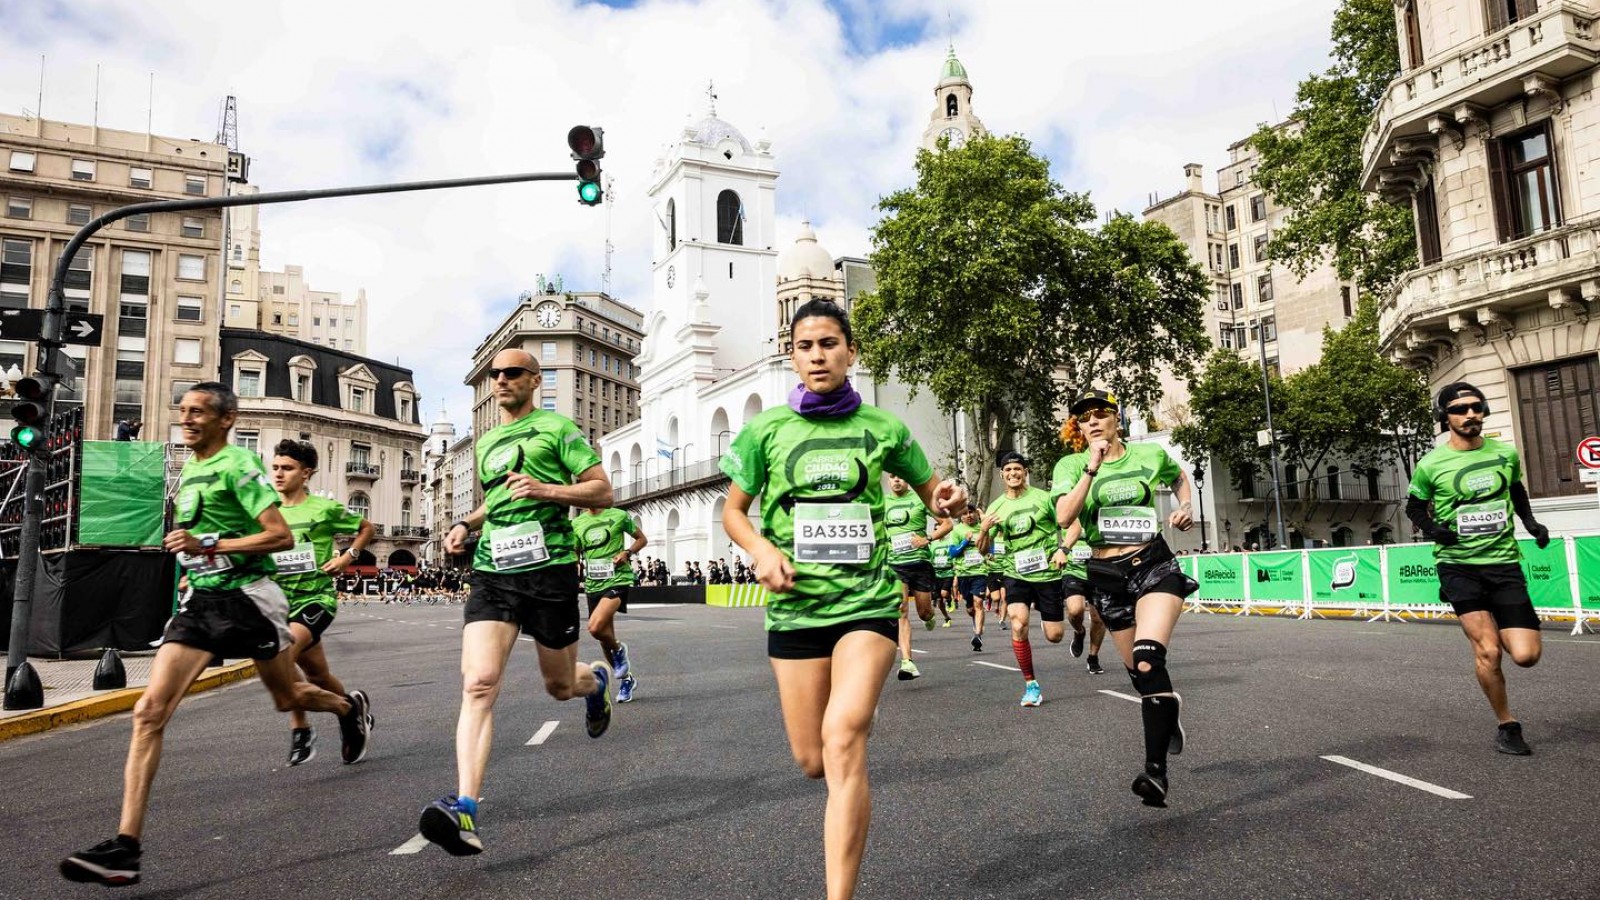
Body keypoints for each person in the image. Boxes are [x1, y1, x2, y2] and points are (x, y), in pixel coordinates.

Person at [61, 384, 369, 887]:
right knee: (149, 711)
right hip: (201, 605)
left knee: (287, 694)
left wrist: (209, 541)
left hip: (250, 600)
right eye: (183, 410)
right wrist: (189, 565)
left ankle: (346, 709)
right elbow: (194, 543)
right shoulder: (191, 471)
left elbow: (279, 536)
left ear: (226, 419)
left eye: (199, 412)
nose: (188, 419)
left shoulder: (238, 467)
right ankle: (126, 847)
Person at [721, 299, 966, 900]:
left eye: (829, 343)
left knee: (843, 737)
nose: (817, 355)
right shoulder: (765, 432)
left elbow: (936, 491)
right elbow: (732, 511)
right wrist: (760, 551)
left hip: (868, 603)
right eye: (805, 346)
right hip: (796, 609)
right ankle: (851, 716)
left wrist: (949, 499)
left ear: (850, 351)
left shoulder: (884, 428)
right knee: (812, 760)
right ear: (792, 357)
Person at [419, 349, 615, 856]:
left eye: (511, 373)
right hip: (494, 572)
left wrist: (548, 489)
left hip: (548, 571)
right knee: (479, 683)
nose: (500, 381)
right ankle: (465, 808)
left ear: (534, 380)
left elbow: (602, 492)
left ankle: (594, 684)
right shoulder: (487, 443)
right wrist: (467, 523)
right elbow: (498, 500)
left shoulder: (558, 429)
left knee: (559, 686)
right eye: (494, 375)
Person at [1053, 389, 1197, 808]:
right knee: (1139, 674)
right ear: (1079, 429)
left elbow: (1179, 476)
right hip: (1106, 575)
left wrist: (1185, 505)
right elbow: (1064, 516)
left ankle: (1156, 775)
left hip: (1152, 564)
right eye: (1084, 418)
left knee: (1149, 656)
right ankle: (1166, 708)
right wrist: (1091, 469)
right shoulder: (1070, 466)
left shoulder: (1148, 457)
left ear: (1118, 419)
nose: (1093, 422)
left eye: (1100, 414)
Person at [1406, 382, 1550, 755]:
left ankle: (1501, 620)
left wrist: (1531, 524)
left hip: (1503, 563)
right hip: (1458, 566)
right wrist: (1435, 530)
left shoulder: (1505, 454)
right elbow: (1414, 508)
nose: (1470, 414)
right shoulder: (1431, 464)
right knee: (1489, 652)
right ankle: (1507, 724)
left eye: (1476, 407)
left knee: (1525, 655)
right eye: (1459, 409)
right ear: (1445, 418)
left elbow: (1516, 490)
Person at [268, 439, 378, 766]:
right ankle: (350, 707)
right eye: (274, 467)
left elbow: (366, 528)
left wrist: (348, 557)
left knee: (282, 658)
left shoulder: (323, 509)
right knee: (318, 676)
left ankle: (301, 729)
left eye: (286, 468)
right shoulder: (265, 509)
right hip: (278, 602)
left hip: (315, 598)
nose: (278, 474)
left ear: (306, 473)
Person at [981, 451, 1064, 707]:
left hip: (1047, 572)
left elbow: (1069, 523)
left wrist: (1064, 549)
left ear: (1025, 472)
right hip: (1015, 572)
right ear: (1002, 474)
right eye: (1008, 470)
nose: (1013, 473)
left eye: (1018, 469)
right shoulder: (996, 507)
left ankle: (1044, 620)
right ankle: (1031, 684)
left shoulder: (1044, 498)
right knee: (1018, 624)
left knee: (1055, 636)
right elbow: (983, 549)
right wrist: (984, 529)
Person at [574, 505, 648, 703]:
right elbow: (575, 552)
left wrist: (627, 552)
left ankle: (619, 650)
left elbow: (642, 539)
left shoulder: (619, 515)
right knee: (604, 638)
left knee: (595, 628)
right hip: (592, 584)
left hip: (617, 579)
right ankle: (626, 679)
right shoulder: (577, 523)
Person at [885, 473, 953, 680]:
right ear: (888, 481)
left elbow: (947, 523)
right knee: (900, 609)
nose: (897, 480)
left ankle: (930, 616)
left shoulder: (920, 500)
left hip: (919, 562)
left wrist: (928, 539)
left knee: (923, 613)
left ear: (907, 481)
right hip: (894, 563)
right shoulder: (882, 502)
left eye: (901, 477)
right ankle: (907, 662)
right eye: (893, 477)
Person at [1057, 416, 1107, 674]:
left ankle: (1093, 656)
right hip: (1075, 565)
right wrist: (1064, 549)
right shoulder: (1074, 482)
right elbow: (1070, 523)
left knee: (1099, 616)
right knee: (1076, 610)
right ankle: (1078, 631)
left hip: (1100, 562)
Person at [949, 506, 989, 651]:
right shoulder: (957, 530)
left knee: (979, 603)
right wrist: (965, 542)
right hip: (963, 574)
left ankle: (977, 635)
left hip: (980, 572)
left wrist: (990, 554)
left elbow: (990, 548)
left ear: (976, 514)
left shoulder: (982, 528)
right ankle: (976, 621)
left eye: (971, 512)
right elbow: (952, 553)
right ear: (961, 516)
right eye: (965, 513)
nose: (969, 515)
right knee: (971, 609)